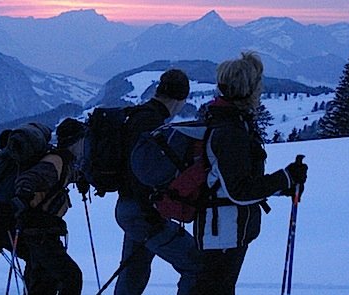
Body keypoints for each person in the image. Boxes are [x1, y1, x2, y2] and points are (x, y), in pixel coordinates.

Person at [193, 51, 308, 295]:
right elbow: (239, 191)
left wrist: (282, 186)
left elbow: (236, 181)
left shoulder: (232, 123)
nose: (261, 90)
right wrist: (284, 178)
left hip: (226, 229)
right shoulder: (231, 132)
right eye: (258, 85)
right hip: (223, 232)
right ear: (247, 89)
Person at [113, 69, 203, 295]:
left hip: (129, 208)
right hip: (143, 213)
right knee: (196, 265)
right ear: (180, 99)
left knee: (133, 272)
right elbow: (141, 173)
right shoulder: (153, 124)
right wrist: (150, 211)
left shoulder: (137, 116)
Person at [0, 122, 85, 295]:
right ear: (76, 141)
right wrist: (23, 195)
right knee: (71, 277)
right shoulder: (56, 160)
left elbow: (54, 176)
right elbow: (30, 179)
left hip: (29, 229)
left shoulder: (59, 160)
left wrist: (81, 177)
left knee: (43, 281)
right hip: (38, 232)